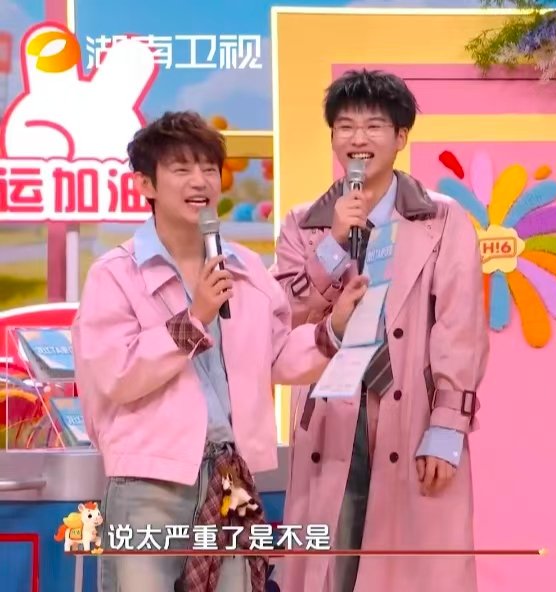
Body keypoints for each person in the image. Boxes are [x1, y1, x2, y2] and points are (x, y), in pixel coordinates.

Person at [72, 111, 367, 592]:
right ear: (145, 184)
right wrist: (194, 319)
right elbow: (117, 375)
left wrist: (332, 329)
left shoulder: (244, 267)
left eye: (209, 168)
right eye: (182, 169)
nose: (200, 181)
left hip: (232, 476)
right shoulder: (115, 274)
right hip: (149, 482)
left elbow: (275, 356)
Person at [273, 69, 488, 592]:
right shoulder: (304, 224)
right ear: (332, 137)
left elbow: (460, 328)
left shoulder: (442, 219)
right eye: (346, 126)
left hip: (412, 413)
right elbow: (285, 318)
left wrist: (447, 427)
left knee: (410, 570)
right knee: (335, 565)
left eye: (373, 126)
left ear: (400, 137)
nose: (358, 139)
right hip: (331, 413)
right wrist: (333, 245)